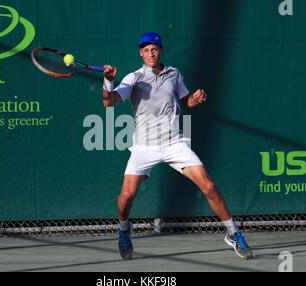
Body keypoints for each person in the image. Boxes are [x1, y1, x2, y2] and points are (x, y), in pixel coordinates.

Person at [102, 32, 253, 260]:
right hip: (145, 146)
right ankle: (124, 229)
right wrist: (108, 81)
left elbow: (187, 101)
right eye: (146, 50)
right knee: (126, 196)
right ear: (140, 53)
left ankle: (233, 233)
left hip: (174, 143)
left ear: (160, 51)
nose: (150, 54)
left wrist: (196, 98)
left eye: (154, 49)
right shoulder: (134, 78)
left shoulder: (174, 74)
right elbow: (109, 101)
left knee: (209, 187)